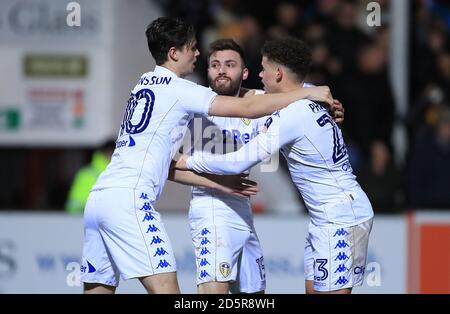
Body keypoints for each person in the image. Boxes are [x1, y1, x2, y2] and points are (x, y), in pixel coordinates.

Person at [80, 17, 335, 294]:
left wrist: (315, 97)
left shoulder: (143, 83)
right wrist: (310, 92)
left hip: (99, 199)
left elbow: (252, 99)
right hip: (132, 200)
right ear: (174, 53)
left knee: (99, 288)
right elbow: (248, 108)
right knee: (167, 289)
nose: (198, 54)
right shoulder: (181, 90)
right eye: (192, 47)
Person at [177, 37, 374, 294]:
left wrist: (187, 160)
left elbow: (240, 160)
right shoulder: (308, 96)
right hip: (324, 217)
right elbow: (306, 91)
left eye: (263, 68)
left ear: (278, 74)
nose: (260, 75)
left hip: (341, 214)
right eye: (215, 64)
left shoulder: (292, 113)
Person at [65, 140, 116, 215]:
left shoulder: (123, 173)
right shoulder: (85, 174)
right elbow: (73, 206)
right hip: (83, 221)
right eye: (111, 153)